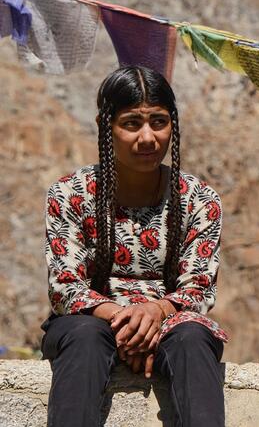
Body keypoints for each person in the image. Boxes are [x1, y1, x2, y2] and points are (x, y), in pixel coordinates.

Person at [42, 66, 226, 427]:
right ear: (105, 125)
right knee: (85, 337)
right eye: (131, 123)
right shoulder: (69, 194)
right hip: (91, 321)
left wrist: (156, 312)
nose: (147, 137)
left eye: (158, 122)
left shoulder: (199, 199)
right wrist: (129, 322)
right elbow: (65, 287)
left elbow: (198, 288)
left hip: (172, 321)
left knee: (192, 338)